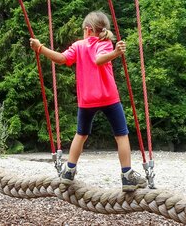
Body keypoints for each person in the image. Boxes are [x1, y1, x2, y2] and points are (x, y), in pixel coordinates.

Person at [29, 11, 147, 191]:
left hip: (87, 99)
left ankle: (69, 171)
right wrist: (115, 53)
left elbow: (61, 59)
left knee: (81, 134)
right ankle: (126, 175)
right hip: (109, 96)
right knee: (121, 135)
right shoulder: (105, 43)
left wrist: (40, 48)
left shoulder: (79, 46)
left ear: (87, 29)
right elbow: (99, 59)